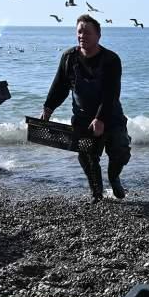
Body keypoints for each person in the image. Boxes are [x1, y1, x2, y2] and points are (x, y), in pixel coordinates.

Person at [42, 14, 131, 202]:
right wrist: (48, 108)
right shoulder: (68, 57)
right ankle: (97, 193)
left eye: (87, 32)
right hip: (82, 117)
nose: (82, 36)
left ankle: (114, 177)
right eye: (79, 32)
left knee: (120, 153)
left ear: (98, 35)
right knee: (87, 157)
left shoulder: (111, 60)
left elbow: (111, 93)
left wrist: (100, 118)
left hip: (111, 115)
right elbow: (59, 86)